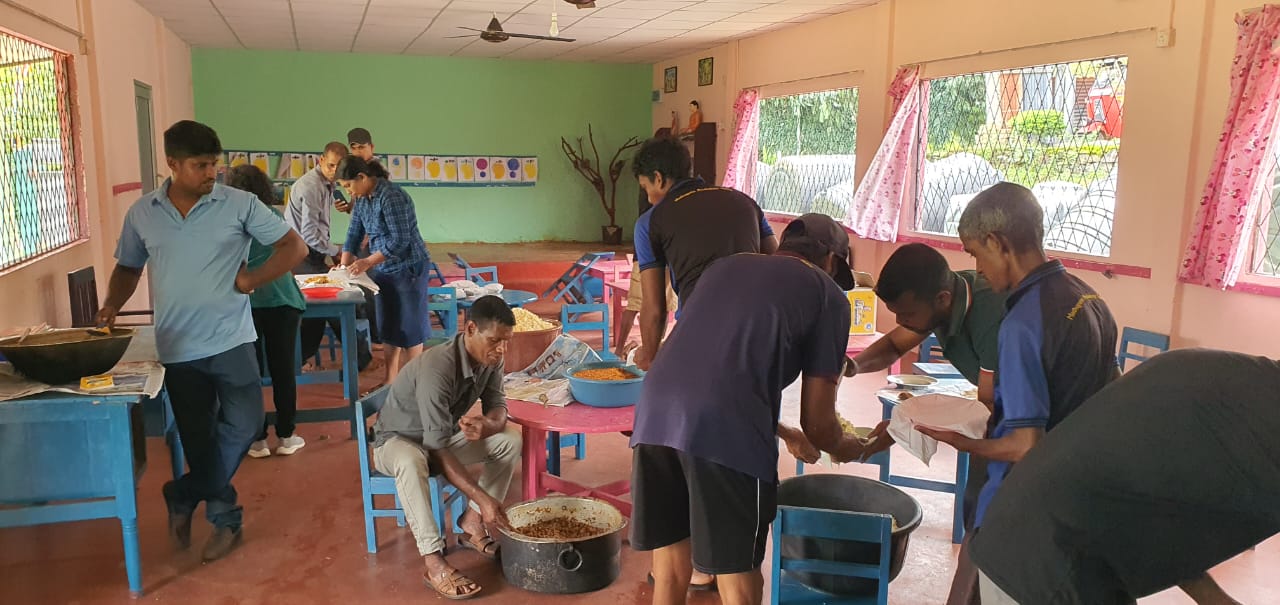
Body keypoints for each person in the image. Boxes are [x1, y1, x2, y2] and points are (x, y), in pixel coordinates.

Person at [630, 214, 881, 605]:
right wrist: (850, 446)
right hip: (727, 436)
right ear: (832, 260)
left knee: (670, 563)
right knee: (739, 575)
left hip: (654, 412)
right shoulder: (827, 294)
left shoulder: (725, 267)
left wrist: (783, 432)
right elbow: (819, 422)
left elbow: (712, 369)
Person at [97, 120, 307, 561]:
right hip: (177, 345)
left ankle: (183, 490)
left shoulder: (240, 204)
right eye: (200, 165)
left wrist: (252, 278)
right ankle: (225, 519)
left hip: (232, 339)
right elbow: (128, 268)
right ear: (172, 164)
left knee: (248, 423)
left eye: (214, 164)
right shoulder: (143, 213)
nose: (211, 173)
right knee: (198, 437)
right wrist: (111, 306)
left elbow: (294, 247)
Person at [915, 182, 1119, 601]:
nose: (979, 269)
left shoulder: (1024, 323)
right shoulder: (1089, 298)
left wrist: (961, 442)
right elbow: (1111, 392)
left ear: (997, 242)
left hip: (1022, 504)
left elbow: (1026, 444)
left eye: (975, 254)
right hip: (1081, 495)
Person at [970, 348, 1276, 605]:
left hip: (1024, 538)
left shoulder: (1231, 380)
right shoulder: (1251, 422)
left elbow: (1163, 511)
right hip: (1048, 565)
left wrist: (1215, 599)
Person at [372, 295, 520, 600]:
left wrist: (488, 426)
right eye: (494, 340)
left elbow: (499, 407)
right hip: (397, 441)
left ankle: (472, 523)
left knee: (509, 440)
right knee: (411, 461)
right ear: (470, 329)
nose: (501, 349)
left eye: (506, 341)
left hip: (438, 439)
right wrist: (482, 495)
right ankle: (434, 561)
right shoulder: (438, 367)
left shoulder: (492, 358)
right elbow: (437, 448)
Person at [631, 136, 778, 371]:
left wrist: (650, 356)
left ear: (658, 179)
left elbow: (655, 308)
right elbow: (779, 262)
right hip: (760, 331)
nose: (648, 198)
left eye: (646, 188)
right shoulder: (745, 202)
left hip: (701, 334)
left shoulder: (650, 222)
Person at [225, 165, 309, 459]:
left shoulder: (229, 222)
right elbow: (294, 251)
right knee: (283, 371)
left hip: (246, 306)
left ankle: (257, 439)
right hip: (282, 303)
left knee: (250, 374)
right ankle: (287, 435)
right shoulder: (271, 217)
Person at [338, 155, 432, 384]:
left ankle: (411, 385)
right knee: (389, 327)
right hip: (384, 269)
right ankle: (391, 381)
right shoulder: (362, 200)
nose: (348, 191)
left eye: (349, 185)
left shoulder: (391, 196)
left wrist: (367, 262)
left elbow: (400, 240)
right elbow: (353, 234)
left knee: (410, 330)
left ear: (362, 177)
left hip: (408, 267)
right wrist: (342, 267)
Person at [287, 141, 373, 370]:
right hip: (300, 254)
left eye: (339, 167)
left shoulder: (327, 185)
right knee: (334, 303)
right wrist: (336, 251)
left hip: (313, 252)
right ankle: (360, 359)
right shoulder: (312, 187)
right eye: (331, 165)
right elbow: (310, 235)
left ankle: (301, 358)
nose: (335, 171)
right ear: (320, 161)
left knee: (318, 310)